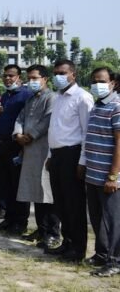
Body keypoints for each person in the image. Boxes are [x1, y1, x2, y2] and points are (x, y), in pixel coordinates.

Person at [45, 59, 93, 262]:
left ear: (73, 74)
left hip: (72, 155)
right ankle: (67, 242)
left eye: (62, 72)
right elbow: (54, 129)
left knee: (74, 204)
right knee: (61, 203)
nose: (58, 76)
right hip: (56, 155)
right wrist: (49, 155)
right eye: (56, 72)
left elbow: (86, 132)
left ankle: (78, 248)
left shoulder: (82, 98)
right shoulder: (58, 97)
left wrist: (82, 161)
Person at [13, 65, 59, 249]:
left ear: (45, 79)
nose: (31, 81)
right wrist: (18, 135)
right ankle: (41, 229)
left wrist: (30, 135)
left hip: (44, 149)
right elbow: (20, 118)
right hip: (29, 151)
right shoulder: (31, 99)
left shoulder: (52, 98)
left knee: (48, 193)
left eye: (35, 78)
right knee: (36, 192)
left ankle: (53, 233)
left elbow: (47, 120)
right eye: (29, 78)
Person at [83, 67, 120, 276]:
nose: (98, 84)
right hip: (93, 173)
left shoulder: (117, 107)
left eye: (102, 81)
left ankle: (115, 261)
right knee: (97, 218)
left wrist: (113, 176)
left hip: (110, 177)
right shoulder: (97, 106)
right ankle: (102, 254)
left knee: (113, 220)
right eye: (94, 80)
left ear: (113, 83)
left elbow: (119, 144)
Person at [0, 65, 33, 235]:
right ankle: (8, 218)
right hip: (3, 144)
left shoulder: (26, 95)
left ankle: (20, 222)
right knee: (5, 184)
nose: (7, 78)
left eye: (11, 76)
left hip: (17, 145)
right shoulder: (5, 96)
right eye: (5, 76)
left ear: (19, 77)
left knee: (17, 185)